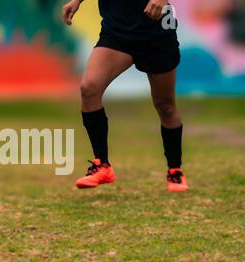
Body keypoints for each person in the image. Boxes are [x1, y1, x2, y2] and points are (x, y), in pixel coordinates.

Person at [63, 0, 189, 192]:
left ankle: (175, 170)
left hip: (156, 31)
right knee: (89, 88)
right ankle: (102, 165)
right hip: (118, 31)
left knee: (165, 106)